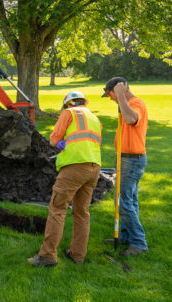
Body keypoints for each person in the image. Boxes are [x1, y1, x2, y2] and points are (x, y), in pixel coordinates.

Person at [28, 91, 102, 267]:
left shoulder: (69, 113)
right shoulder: (95, 118)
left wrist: (60, 143)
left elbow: (54, 140)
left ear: (68, 104)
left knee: (57, 209)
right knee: (82, 212)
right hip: (94, 168)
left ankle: (47, 256)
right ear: (83, 102)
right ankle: (77, 255)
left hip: (74, 167)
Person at [102, 77, 149, 256]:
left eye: (111, 94)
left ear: (121, 90)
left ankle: (139, 242)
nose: (111, 98)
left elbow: (130, 119)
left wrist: (121, 97)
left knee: (124, 203)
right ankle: (126, 236)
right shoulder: (125, 104)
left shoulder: (136, 103)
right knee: (129, 200)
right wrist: (120, 99)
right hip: (124, 158)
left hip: (132, 159)